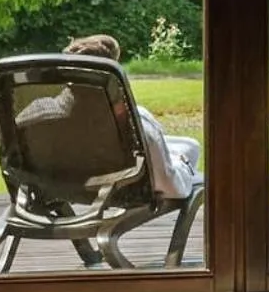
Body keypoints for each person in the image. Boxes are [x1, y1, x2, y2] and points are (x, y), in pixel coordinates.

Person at [58, 34, 202, 199]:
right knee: (190, 150)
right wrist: (184, 165)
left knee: (189, 144)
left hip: (67, 184)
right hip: (125, 188)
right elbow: (169, 185)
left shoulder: (44, 117)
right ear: (114, 83)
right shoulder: (137, 123)